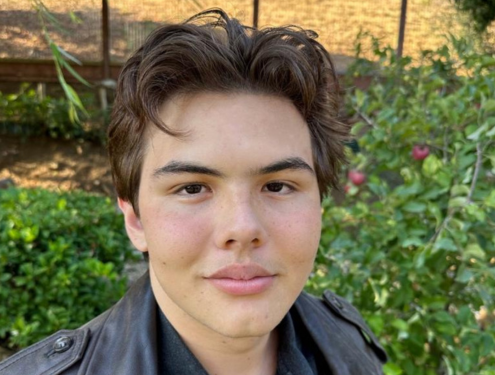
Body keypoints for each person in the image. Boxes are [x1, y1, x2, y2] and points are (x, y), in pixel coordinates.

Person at [0, 8, 387, 375]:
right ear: (134, 218)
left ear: (319, 203)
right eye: (192, 188)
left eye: (277, 186)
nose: (241, 227)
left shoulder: (351, 346)